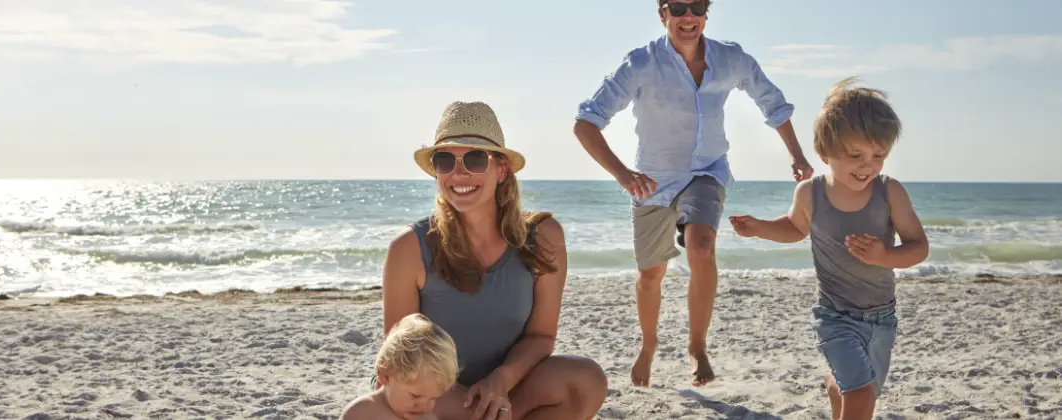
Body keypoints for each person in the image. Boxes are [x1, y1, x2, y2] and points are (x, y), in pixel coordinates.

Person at [571, 0, 813, 387]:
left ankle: (696, 347)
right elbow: (586, 123)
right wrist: (622, 174)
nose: (689, 17)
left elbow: (774, 104)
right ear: (662, 14)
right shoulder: (640, 63)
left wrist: (798, 155)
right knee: (651, 275)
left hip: (707, 172)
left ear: (706, 13)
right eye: (679, 7)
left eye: (697, 7)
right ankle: (648, 346)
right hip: (651, 181)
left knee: (701, 248)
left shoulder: (731, 59)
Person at [382, 101, 608, 420]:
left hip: (507, 387)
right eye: (445, 160)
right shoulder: (408, 248)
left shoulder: (544, 236)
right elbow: (401, 361)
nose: (459, 173)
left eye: (474, 159)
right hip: (433, 396)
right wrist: (475, 403)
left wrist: (500, 381)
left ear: (501, 169)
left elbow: (541, 337)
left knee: (586, 381)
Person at [729, 77, 929, 420]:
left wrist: (885, 256)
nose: (868, 165)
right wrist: (760, 228)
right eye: (856, 155)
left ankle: (837, 382)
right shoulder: (811, 193)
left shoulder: (889, 192)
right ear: (825, 152)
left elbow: (919, 247)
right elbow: (794, 228)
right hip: (833, 316)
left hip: (881, 318)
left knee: (856, 390)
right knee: (862, 396)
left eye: (878, 155)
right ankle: (843, 382)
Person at [340, 313, 460, 420]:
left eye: (433, 398)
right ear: (385, 375)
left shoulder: (428, 416)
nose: (425, 406)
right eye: (415, 395)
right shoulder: (361, 413)